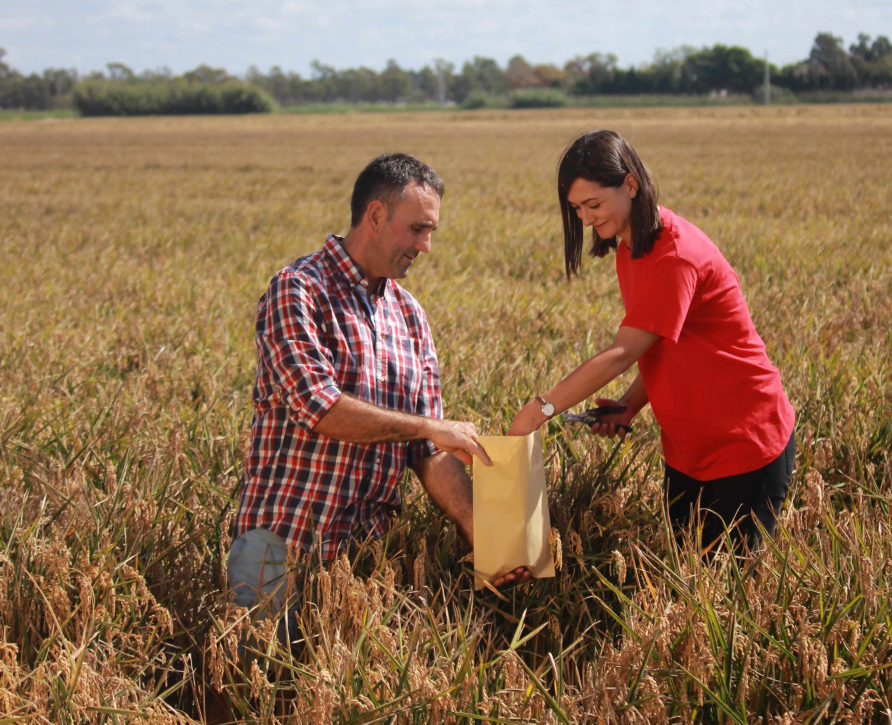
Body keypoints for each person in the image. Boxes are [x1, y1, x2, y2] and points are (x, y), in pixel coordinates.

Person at [229, 151, 524, 637]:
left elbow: (429, 450)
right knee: (251, 688)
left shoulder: (409, 316)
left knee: (327, 704)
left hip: (362, 558)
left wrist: (479, 525)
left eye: (431, 232)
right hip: (281, 544)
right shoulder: (299, 290)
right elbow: (318, 407)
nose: (425, 246)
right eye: (417, 229)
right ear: (376, 216)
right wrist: (431, 428)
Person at [508, 130, 795, 552]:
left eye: (593, 204)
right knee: (688, 578)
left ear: (630, 184)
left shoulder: (675, 255)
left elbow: (622, 353)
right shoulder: (631, 247)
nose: (585, 220)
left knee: (727, 594)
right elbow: (660, 344)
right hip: (687, 450)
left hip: (743, 445)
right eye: (576, 209)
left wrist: (540, 409)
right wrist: (629, 407)